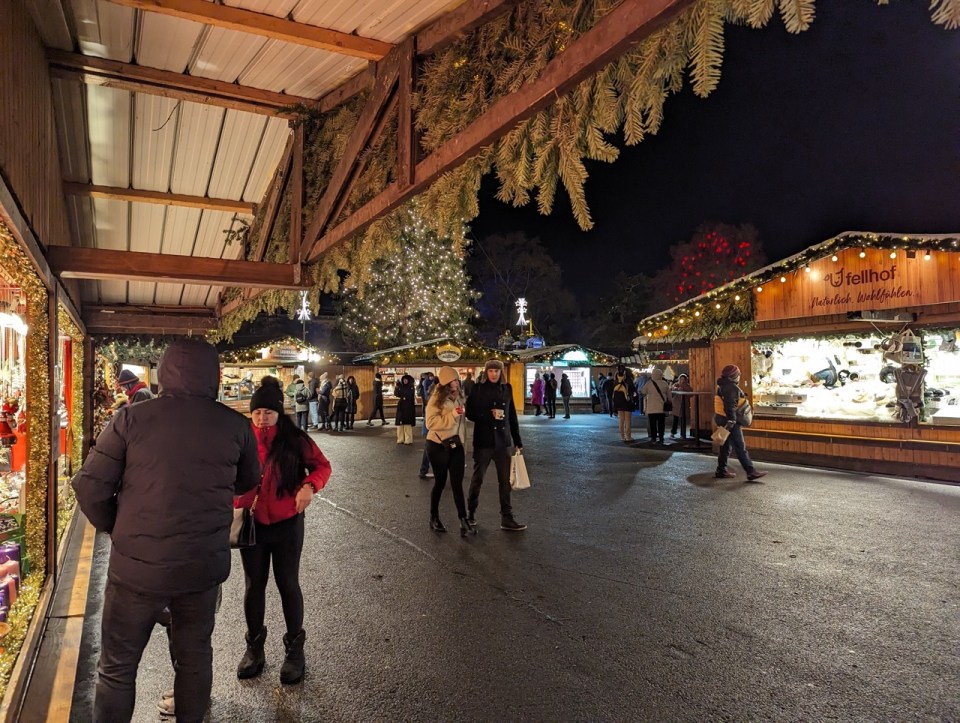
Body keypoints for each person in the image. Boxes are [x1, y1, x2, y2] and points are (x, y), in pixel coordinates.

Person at [72, 338, 260, 723]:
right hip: (200, 569)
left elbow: (89, 487)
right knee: (194, 661)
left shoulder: (129, 419)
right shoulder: (236, 425)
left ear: (165, 371)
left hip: (135, 571)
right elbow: (246, 481)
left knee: (117, 668)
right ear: (213, 375)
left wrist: (119, 529)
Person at [235, 377, 332, 685]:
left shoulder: (295, 438)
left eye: (268, 412)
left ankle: (294, 650)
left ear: (279, 412)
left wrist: (309, 486)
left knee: (288, 583)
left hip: (288, 522)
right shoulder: (241, 438)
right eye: (257, 412)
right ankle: (254, 648)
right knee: (254, 586)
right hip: (252, 522)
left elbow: (322, 466)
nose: (262, 417)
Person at [465, 360, 525, 531]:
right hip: (484, 441)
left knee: (504, 482)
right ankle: (471, 513)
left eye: (496, 371)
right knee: (478, 479)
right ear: (486, 372)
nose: (494, 374)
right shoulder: (477, 389)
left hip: (502, 442)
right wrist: (487, 414)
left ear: (501, 372)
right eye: (491, 371)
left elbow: (511, 416)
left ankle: (507, 517)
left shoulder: (507, 388)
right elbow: (470, 413)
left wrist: (517, 440)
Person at [425, 367, 471, 535]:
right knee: (440, 482)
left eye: (457, 380)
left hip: (456, 444)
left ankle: (463, 519)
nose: (457, 383)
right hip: (438, 445)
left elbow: (461, 423)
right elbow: (430, 423)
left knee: (457, 483)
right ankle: (434, 516)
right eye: (453, 380)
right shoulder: (436, 398)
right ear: (445, 382)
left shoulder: (458, 397)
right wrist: (452, 415)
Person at [714, 364, 767, 482]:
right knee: (740, 447)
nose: (739, 376)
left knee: (725, 446)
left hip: (722, 419)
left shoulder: (722, 386)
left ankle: (721, 470)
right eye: (738, 374)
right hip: (730, 421)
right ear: (734, 376)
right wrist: (732, 420)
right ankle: (750, 471)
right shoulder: (731, 387)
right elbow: (730, 405)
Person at [641, 368, 670, 444]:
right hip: (661, 408)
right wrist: (670, 402)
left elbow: (643, 391)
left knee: (652, 423)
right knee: (661, 424)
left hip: (651, 407)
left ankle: (653, 438)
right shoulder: (664, 383)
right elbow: (669, 394)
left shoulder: (649, 383)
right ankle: (661, 437)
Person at [611, 367, 636, 442]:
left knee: (621, 419)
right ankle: (628, 436)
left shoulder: (616, 381)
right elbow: (633, 391)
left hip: (618, 402)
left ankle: (622, 436)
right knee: (627, 420)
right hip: (627, 402)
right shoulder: (629, 381)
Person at [394, 374, 417, 444]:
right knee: (400, 424)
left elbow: (407, 395)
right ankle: (400, 439)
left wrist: (401, 391)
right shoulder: (401, 387)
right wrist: (397, 387)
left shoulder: (411, 387)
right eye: (404, 380)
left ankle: (408, 439)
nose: (405, 381)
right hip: (401, 407)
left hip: (408, 407)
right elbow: (397, 394)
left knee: (407, 424)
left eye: (406, 380)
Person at [670, 373, 693, 438]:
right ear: (679, 379)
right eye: (681, 379)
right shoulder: (676, 385)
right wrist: (677, 389)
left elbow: (691, 393)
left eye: (684, 379)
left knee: (683, 420)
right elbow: (672, 389)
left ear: (686, 380)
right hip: (676, 405)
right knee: (675, 420)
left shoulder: (688, 386)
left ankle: (682, 434)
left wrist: (684, 389)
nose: (682, 380)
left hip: (684, 405)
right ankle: (673, 432)